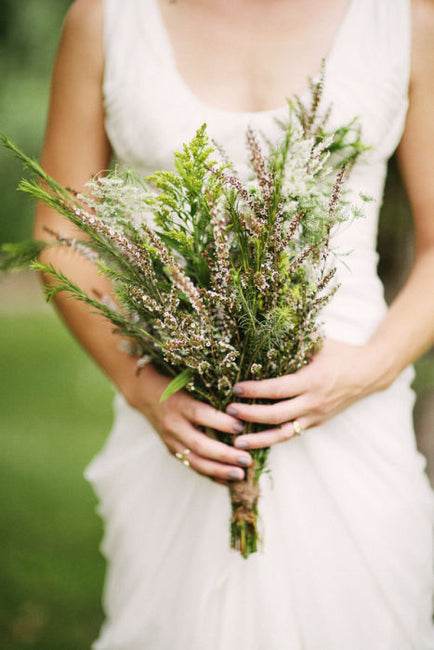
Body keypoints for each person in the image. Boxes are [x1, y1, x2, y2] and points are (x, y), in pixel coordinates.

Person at [35, 0, 434, 648]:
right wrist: (135, 384)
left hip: (357, 435)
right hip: (178, 424)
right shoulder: (106, 18)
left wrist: (370, 368)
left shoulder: (407, 19)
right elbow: (59, 230)